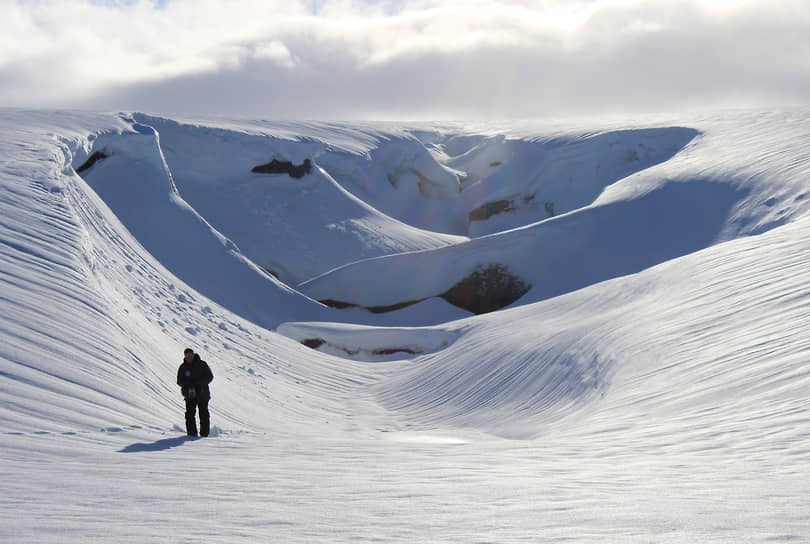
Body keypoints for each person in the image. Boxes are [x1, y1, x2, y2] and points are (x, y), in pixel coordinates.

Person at [176, 348, 214, 437]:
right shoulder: (183, 367)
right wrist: (188, 385)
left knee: (203, 414)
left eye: (190, 355)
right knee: (189, 415)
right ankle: (191, 435)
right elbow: (179, 381)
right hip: (190, 395)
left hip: (202, 394)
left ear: (193, 355)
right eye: (187, 356)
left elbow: (210, 377)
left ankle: (204, 434)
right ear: (185, 356)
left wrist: (198, 384)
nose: (189, 358)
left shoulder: (202, 364)